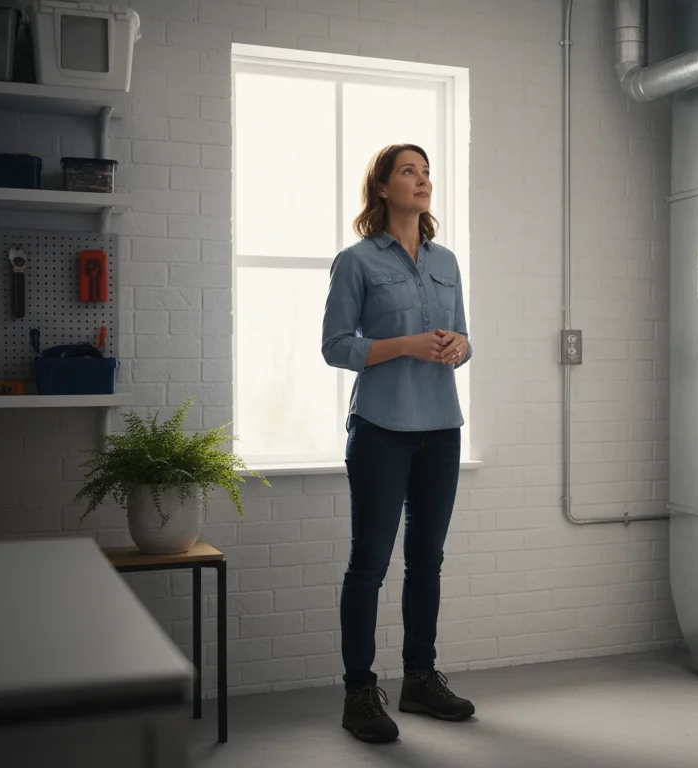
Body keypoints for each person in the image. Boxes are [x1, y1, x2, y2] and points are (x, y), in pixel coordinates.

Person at [321, 143, 474, 744]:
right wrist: (406, 345)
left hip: (441, 426)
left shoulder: (448, 262)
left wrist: (459, 346)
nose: (422, 179)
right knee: (369, 565)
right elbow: (336, 346)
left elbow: (463, 339)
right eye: (409, 171)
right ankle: (359, 692)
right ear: (382, 187)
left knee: (427, 560)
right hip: (382, 428)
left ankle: (418, 679)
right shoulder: (356, 261)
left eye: (427, 171)